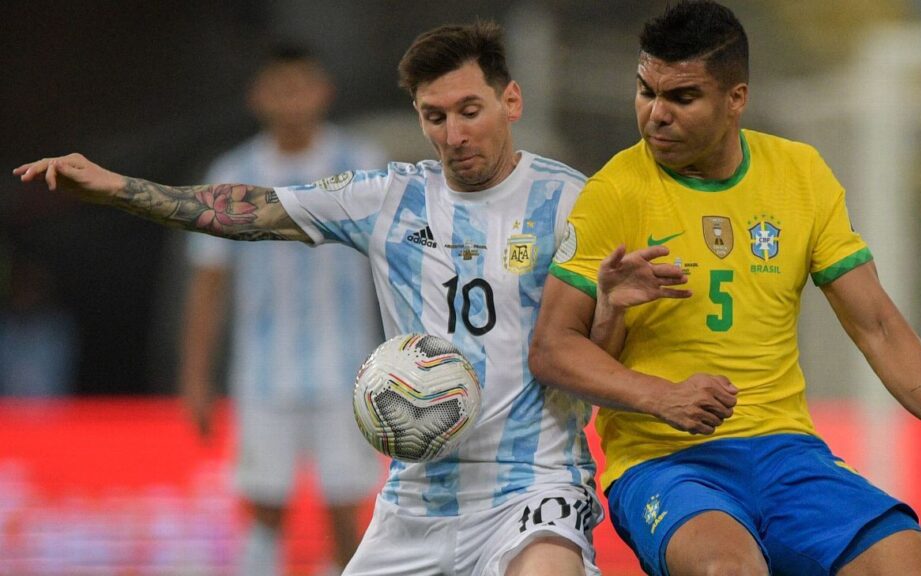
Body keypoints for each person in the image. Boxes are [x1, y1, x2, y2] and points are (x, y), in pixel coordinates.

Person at [15, 21, 602, 576]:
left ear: (512, 103)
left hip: (534, 480)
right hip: (420, 486)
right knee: (269, 507)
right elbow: (245, 212)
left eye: (469, 111)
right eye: (435, 116)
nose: (454, 134)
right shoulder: (388, 198)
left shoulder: (569, 201)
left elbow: (597, 343)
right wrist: (116, 188)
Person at [528, 2, 921, 575]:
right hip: (667, 464)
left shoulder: (800, 175)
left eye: (681, 98)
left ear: (736, 99)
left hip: (788, 455)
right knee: (728, 571)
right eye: (645, 91)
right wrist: (661, 395)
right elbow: (551, 347)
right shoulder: (615, 191)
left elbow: (878, 326)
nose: (654, 114)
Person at [177, 43, 387, 576]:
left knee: (347, 513)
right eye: (280, 88)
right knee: (263, 508)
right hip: (264, 375)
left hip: (348, 371)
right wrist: (196, 376)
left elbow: (395, 263)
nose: (292, 100)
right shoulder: (232, 174)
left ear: (323, 92)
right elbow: (208, 283)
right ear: (258, 96)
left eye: (302, 86)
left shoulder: (359, 166)